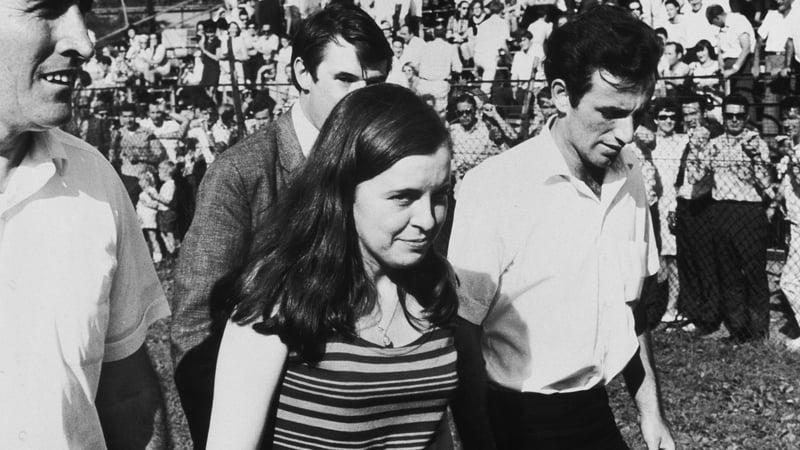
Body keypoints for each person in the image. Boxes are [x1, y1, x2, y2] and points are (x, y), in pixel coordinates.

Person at [448, 6, 675, 449]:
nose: (627, 133)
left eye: (638, 113)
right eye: (610, 112)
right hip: (517, 421)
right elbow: (463, 331)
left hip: (594, 410)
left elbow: (633, 309)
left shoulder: (629, 173)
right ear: (560, 95)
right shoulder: (493, 187)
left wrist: (652, 415)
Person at [170, 4, 392, 447]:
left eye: (374, 85)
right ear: (302, 74)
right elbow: (194, 331)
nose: (360, 100)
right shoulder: (242, 172)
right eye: (344, 80)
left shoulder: (383, 161)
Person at [206, 82, 458, 450]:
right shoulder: (277, 299)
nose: (427, 219)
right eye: (403, 197)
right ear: (343, 189)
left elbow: (431, 432)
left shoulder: (434, 286)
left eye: (439, 196)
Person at [0, 1, 170, 448]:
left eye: (85, 9)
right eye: (47, 8)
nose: (86, 42)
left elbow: (129, 396)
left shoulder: (94, 181)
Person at [704, 94, 772, 341]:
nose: (734, 120)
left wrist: (755, 157)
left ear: (746, 116)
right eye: (729, 115)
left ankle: (758, 331)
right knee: (728, 272)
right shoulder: (714, 143)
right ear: (723, 116)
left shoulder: (757, 141)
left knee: (754, 272)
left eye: (739, 116)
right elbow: (697, 177)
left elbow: (765, 182)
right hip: (721, 209)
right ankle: (738, 328)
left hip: (749, 211)